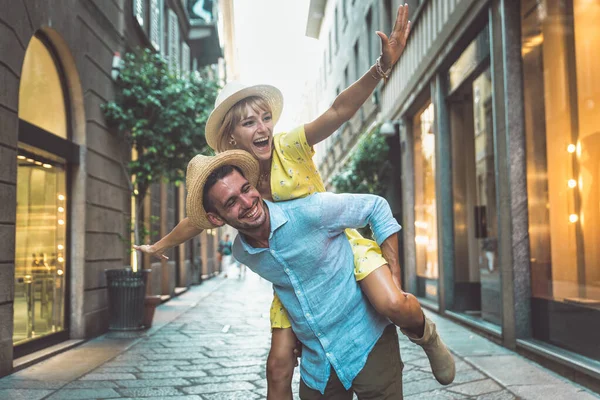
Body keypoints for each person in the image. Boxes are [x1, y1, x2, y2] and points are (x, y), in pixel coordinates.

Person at [135, 4, 454, 399]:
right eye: (250, 122)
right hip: (291, 276)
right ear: (232, 137)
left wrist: (381, 69)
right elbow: (196, 219)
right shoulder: (236, 176)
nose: (263, 127)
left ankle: (429, 337)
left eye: (265, 118)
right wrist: (158, 247)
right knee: (277, 366)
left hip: (337, 243)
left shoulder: (289, 144)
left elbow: (339, 110)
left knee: (393, 303)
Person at [187, 150, 405, 398]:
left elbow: (376, 206)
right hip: (317, 364)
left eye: (246, 189)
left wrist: (394, 277)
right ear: (216, 218)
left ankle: (425, 337)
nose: (247, 202)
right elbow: (288, 282)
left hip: (367, 340)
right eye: (231, 202)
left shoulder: (309, 211)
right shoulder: (241, 252)